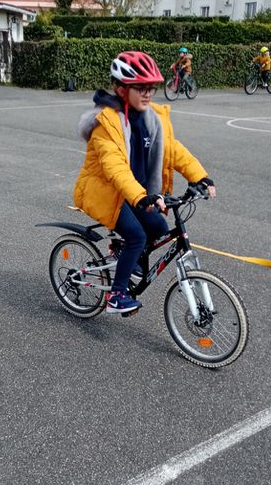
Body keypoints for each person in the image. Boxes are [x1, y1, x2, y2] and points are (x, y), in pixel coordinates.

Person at [73, 51, 215, 315]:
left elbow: (173, 151)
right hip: (106, 192)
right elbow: (114, 168)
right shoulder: (107, 124)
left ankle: (125, 256)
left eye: (151, 87)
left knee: (160, 228)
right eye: (140, 88)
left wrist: (199, 176)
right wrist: (141, 196)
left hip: (136, 192)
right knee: (137, 236)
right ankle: (116, 295)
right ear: (120, 89)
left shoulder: (151, 119)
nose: (148, 93)